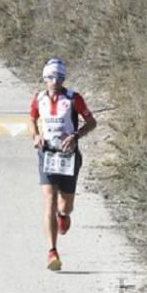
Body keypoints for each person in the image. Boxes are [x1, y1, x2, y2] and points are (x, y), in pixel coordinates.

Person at [28, 58, 97, 271]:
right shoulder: (39, 98)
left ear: (63, 78)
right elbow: (31, 119)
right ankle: (52, 252)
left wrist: (76, 135)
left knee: (65, 205)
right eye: (50, 77)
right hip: (47, 154)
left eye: (58, 77)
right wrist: (36, 136)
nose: (54, 81)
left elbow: (91, 122)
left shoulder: (73, 99)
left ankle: (63, 216)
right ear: (44, 79)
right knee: (49, 199)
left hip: (68, 156)